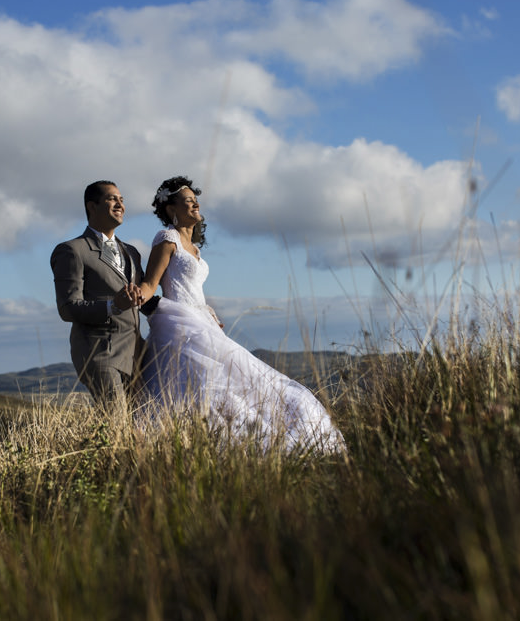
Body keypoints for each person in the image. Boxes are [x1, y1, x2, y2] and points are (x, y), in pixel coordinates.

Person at [136, 175, 346, 452]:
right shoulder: (167, 239)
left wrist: (207, 310)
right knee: (200, 385)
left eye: (196, 201)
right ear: (171, 208)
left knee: (240, 380)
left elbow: (191, 286)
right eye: (188, 202)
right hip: (180, 325)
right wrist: (133, 294)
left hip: (203, 322)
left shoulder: (195, 248)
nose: (196, 205)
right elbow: (152, 285)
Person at [51, 180, 145, 411]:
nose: (120, 204)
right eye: (112, 199)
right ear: (92, 207)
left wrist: (196, 313)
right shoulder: (73, 250)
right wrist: (113, 306)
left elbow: (144, 298)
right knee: (115, 423)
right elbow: (68, 307)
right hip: (100, 351)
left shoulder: (132, 252)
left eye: (122, 200)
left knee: (141, 424)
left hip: (136, 354)